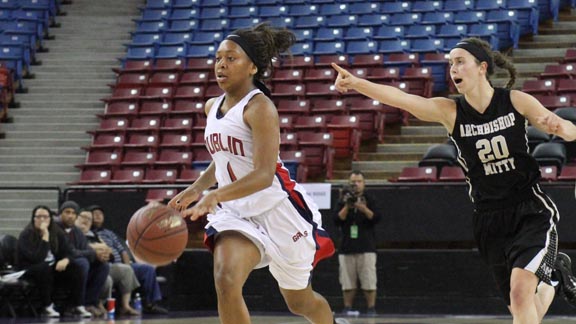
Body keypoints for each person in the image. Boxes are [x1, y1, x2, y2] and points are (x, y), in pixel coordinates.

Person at [331, 37, 576, 323]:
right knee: (519, 305)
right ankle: (553, 280)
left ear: (482, 67)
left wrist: (563, 127)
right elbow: (403, 99)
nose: (453, 69)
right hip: (489, 218)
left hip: (529, 210)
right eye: (450, 63)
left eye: (460, 61)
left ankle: (549, 279)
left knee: (521, 294)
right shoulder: (451, 111)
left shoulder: (513, 100)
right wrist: (357, 83)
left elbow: (563, 127)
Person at [168, 22, 348, 324]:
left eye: (231, 58)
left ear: (252, 66)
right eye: (217, 59)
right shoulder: (212, 106)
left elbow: (263, 174)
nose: (221, 65)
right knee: (226, 279)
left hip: (277, 208)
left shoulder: (260, 108)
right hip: (236, 211)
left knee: (299, 301)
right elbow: (224, 157)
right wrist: (197, 188)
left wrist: (216, 195)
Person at [90, 205, 168, 315]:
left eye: (100, 214)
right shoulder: (90, 233)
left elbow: (122, 250)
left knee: (147, 269)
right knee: (124, 270)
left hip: (124, 265)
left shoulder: (109, 233)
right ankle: (123, 305)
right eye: (95, 214)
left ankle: (150, 304)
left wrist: (127, 264)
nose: (98, 216)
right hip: (107, 266)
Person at [16, 205, 84, 317]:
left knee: (76, 268)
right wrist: (45, 236)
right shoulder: (26, 235)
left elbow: (69, 251)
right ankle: (46, 306)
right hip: (28, 269)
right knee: (44, 268)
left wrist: (66, 260)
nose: (42, 220)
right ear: (33, 219)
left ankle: (75, 305)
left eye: (45, 217)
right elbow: (37, 259)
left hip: (48, 268)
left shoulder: (56, 232)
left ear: (50, 219)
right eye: (39, 217)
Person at [75, 208, 140, 316]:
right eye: (83, 217)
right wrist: (94, 249)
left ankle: (125, 306)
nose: (86, 220)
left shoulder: (94, 235)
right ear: (77, 218)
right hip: (89, 267)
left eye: (89, 219)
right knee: (107, 279)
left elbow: (109, 252)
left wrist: (104, 252)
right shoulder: (74, 233)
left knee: (127, 269)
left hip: (103, 265)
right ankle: (98, 304)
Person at [334, 170, 380, 316]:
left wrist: (363, 208)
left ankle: (371, 308)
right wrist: (347, 206)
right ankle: (347, 307)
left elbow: (376, 218)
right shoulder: (343, 200)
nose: (356, 184)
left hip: (366, 246)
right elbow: (336, 220)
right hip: (347, 246)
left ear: (364, 183)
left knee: (369, 280)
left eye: (359, 181)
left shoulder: (370, 198)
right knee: (347, 281)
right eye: (353, 182)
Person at [56, 200, 109, 317]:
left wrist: (95, 255)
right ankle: (75, 305)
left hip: (73, 265)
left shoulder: (76, 231)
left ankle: (88, 303)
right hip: (58, 266)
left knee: (103, 265)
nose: (70, 216)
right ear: (60, 214)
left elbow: (88, 250)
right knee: (82, 262)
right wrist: (86, 254)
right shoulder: (55, 228)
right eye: (67, 212)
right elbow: (67, 251)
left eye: (73, 213)